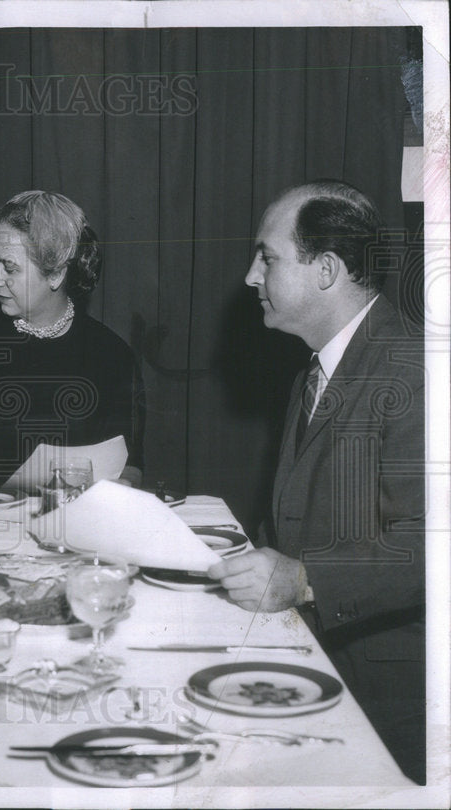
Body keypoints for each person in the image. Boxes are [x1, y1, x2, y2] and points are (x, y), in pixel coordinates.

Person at [208, 181, 425, 784]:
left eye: (268, 257)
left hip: (393, 696)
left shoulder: (414, 370)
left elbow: (433, 542)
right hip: (312, 656)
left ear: (326, 269)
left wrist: (304, 579)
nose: (251, 276)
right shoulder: (317, 367)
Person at [0, 191, 144, 486]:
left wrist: (120, 489)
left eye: (9, 267)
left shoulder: (112, 356)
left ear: (56, 274)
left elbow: (131, 464)